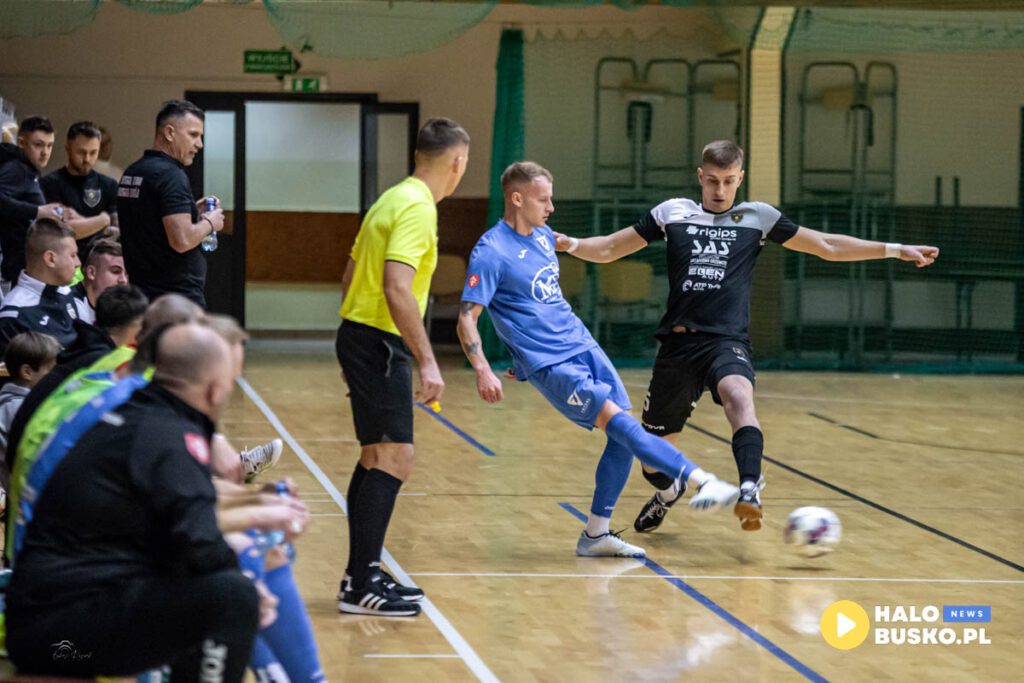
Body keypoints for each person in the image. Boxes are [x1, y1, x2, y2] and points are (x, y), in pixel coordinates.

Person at [556, 140, 940, 533]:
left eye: (727, 181)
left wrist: (896, 250)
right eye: (711, 181)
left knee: (740, 397)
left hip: (726, 341)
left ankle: (749, 487)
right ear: (699, 178)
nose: (719, 191)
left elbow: (826, 246)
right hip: (678, 346)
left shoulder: (757, 217)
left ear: (741, 178)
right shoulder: (672, 213)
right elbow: (608, 249)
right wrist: (568, 245)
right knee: (653, 461)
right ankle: (668, 492)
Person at [457, 161, 741, 559]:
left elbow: (538, 302)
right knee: (623, 425)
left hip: (583, 345)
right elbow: (468, 318)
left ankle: (595, 534)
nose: (552, 206)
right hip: (554, 365)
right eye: (544, 198)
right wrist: (484, 369)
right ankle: (698, 478)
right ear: (517, 199)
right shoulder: (490, 252)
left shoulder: (542, 236)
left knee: (622, 439)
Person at [5, 323, 260, 682]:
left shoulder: (134, 416)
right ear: (216, 391)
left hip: (45, 625)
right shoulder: (171, 437)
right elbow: (201, 545)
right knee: (234, 597)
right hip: (61, 642)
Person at [335, 117, 469, 617]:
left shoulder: (391, 198)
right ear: (457, 164)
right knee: (395, 458)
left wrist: (348, 340)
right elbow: (396, 286)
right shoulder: (418, 208)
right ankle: (360, 581)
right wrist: (428, 359)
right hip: (380, 341)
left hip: (362, 336)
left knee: (375, 456)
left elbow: (350, 274)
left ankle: (359, 573)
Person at [118, 100, 223, 307]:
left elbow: (151, 221)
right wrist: (210, 223)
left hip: (143, 294)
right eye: (193, 135)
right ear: (169, 133)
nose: (199, 144)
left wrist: (190, 210)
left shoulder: (133, 171)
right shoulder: (171, 175)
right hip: (175, 299)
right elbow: (181, 240)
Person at [40, 121, 119, 265]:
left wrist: (82, 223)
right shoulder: (50, 183)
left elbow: (116, 234)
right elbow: (60, 233)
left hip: (100, 266)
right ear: (68, 149)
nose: (87, 159)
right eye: (81, 152)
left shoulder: (110, 185)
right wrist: (102, 220)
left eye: (93, 152)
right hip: (62, 265)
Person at [0, 219, 80, 357]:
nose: (78, 263)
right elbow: (6, 373)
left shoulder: (66, 293)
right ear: (50, 259)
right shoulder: (14, 314)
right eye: (72, 255)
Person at [0, 116, 64, 290]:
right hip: (13, 263)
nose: (45, 152)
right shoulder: (17, 169)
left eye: (50, 145)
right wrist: (38, 212)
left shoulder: (29, 170)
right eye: (38, 145)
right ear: (21, 143)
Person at [0, 332, 60, 466]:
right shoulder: (21, 408)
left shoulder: (12, 401)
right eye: (51, 370)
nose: (55, 376)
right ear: (27, 372)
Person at [72, 238, 129, 323]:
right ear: (91, 273)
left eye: (126, 274)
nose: (123, 280)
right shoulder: (68, 303)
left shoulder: (121, 307)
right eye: (115, 271)